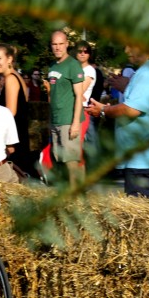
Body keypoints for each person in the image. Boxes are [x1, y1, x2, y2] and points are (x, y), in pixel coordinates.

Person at [85, 45, 149, 201]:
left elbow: (132, 109)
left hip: (145, 162)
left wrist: (103, 110)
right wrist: (129, 87)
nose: (126, 51)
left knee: (143, 218)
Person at [47, 30, 85, 187]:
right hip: (56, 120)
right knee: (58, 158)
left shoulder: (73, 65)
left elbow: (79, 96)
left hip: (68, 120)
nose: (57, 47)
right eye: (54, 44)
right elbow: (53, 95)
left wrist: (75, 122)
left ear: (67, 44)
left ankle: (75, 196)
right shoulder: (52, 67)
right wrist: (50, 122)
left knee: (71, 160)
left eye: (61, 44)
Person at [0, 43, 32, 176]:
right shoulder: (16, 77)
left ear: (9, 59)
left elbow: (10, 113)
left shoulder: (10, 79)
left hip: (14, 137)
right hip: (18, 134)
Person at [75, 41, 97, 154]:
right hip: (71, 109)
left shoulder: (89, 71)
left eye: (86, 51)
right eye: (80, 51)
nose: (83, 54)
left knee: (78, 146)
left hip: (82, 110)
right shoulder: (73, 68)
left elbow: (79, 91)